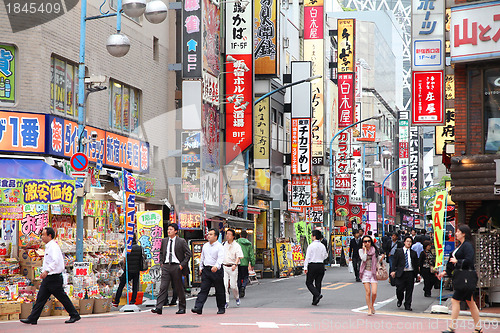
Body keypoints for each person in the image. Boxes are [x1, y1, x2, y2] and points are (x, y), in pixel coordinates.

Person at [21, 227, 80, 325]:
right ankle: (33, 318)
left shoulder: (53, 246)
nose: (42, 237)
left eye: (44, 235)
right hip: (49, 278)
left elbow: (55, 261)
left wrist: (47, 271)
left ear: (50, 236)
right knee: (40, 298)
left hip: (54, 277)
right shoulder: (49, 246)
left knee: (61, 297)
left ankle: (74, 314)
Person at [438, 224, 482, 333]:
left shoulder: (467, 245)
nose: (456, 233)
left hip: (466, 277)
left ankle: (452, 327)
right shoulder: (460, 245)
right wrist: (446, 272)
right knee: (470, 302)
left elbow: (469, 260)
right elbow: (451, 261)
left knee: (455, 300)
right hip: (462, 277)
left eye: (458, 231)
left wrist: (458, 262)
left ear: (464, 234)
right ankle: (478, 328)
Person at [152, 223, 192, 315]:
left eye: (171, 229)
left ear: (175, 231)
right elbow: (161, 252)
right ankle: (159, 307)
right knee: (163, 287)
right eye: (168, 229)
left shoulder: (181, 241)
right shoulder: (164, 241)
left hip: (176, 266)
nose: (168, 231)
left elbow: (188, 254)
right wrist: (161, 263)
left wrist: (182, 265)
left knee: (179, 287)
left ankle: (182, 307)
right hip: (166, 266)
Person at [192, 228, 226, 315]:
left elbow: (220, 258)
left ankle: (221, 308)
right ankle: (198, 307)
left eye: (211, 234)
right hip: (206, 270)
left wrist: (217, 266)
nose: (209, 236)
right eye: (208, 234)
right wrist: (201, 267)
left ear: (216, 236)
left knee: (219, 290)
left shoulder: (220, 246)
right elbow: (202, 257)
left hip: (216, 270)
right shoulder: (205, 246)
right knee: (203, 289)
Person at [390, 235, 420, 311]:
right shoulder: (399, 251)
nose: (409, 243)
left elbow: (416, 264)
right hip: (401, 273)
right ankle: (400, 299)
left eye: (410, 242)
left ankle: (408, 304)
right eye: (407, 241)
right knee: (399, 289)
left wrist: (418, 274)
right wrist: (393, 271)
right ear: (404, 242)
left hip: (410, 273)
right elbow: (394, 262)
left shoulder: (413, 253)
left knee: (409, 290)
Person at [113, 234, 142, 307]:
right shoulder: (140, 248)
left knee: (121, 285)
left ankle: (116, 301)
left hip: (128, 270)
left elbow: (124, 259)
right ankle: (133, 301)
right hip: (136, 269)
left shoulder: (127, 248)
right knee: (135, 286)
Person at [359, 235, 385, 315]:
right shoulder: (361, 250)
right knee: (368, 292)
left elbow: (378, 259)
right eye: (365, 241)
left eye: (368, 241)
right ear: (363, 243)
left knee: (374, 292)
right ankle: (369, 308)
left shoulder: (375, 250)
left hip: (374, 272)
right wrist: (365, 251)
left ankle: (372, 305)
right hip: (365, 272)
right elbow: (363, 259)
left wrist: (381, 258)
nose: (367, 243)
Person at [304, 230, 328, 306]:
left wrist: (305, 267)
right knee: (318, 282)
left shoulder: (311, 246)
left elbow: (307, 257)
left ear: (314, 236)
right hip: (321, 265)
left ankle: (317, 295)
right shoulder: (322, 245)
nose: (311, 237)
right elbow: (326, 256)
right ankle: (315, 300)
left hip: (312, 265)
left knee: (309, 282)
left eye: (312, 235)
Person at [222, 229, 243, 308]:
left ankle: (236, 297)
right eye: (227, 234)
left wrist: (235, 264)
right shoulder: (223, 244)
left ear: (233, 236)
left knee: (233, 285)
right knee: (225, 284)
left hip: (233, 267)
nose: (227, 236)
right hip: (224, 266)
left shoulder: (236, 245)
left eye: (229, 234)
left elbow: (239, 256)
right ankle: (226, 301)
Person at [236, 230, 255, 298]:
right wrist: (252, 263)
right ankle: (243, 286)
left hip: (237, 262)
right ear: (247, 236)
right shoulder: (249, 244)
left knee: (238, 277)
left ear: (240, 235)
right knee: (245, 276)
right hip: (245, 263)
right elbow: (251, 255)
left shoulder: (236, 242)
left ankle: (239, 289)